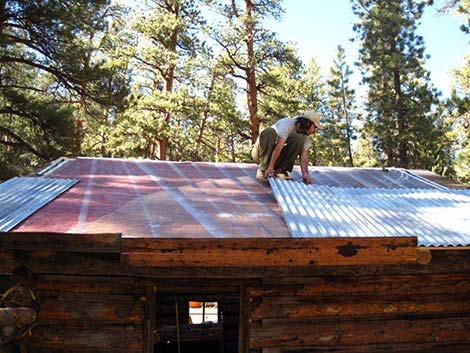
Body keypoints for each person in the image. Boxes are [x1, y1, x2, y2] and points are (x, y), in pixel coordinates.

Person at [251, 110, 322, 185]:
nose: (314, 131)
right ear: (307, 123)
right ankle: (263, 170)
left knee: (300, 139)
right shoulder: (286, 124)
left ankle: (280, 170)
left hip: (275, 158)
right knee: (269, 132)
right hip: (260, 154)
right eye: (314, 127)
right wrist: (270, 167)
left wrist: (305, 175)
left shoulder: (305, 135)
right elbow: (278, 147)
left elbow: (304, 156)